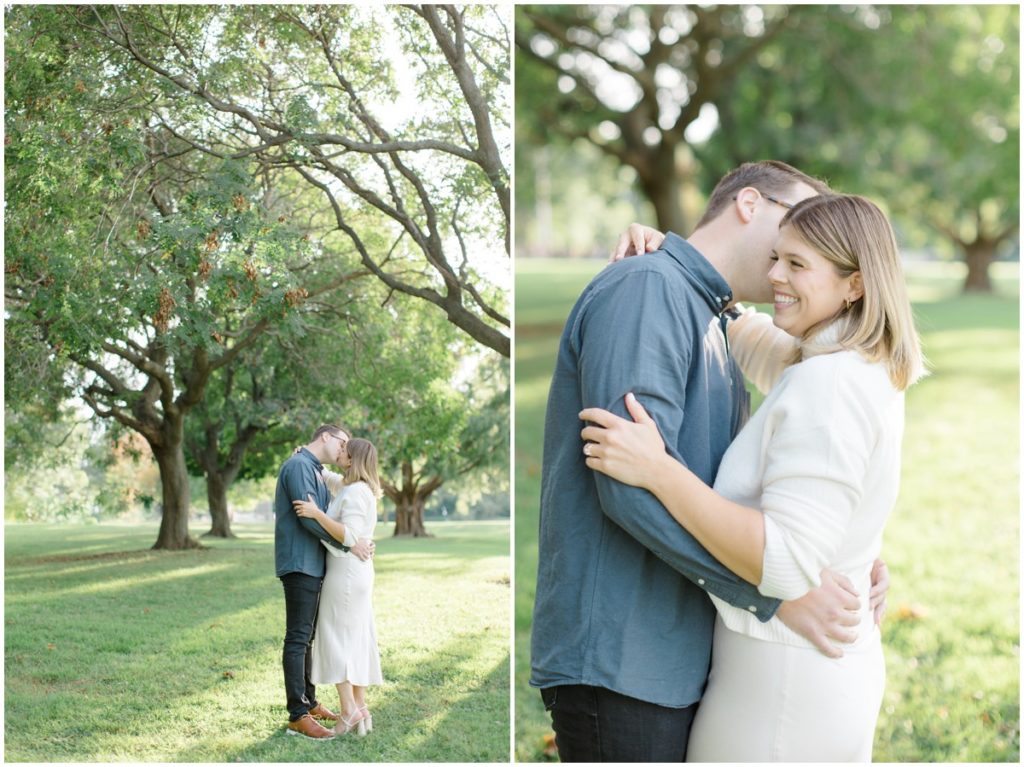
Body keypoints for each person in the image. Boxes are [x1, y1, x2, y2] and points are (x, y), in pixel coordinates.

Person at [531, 161, 891, 763]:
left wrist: (848, 549)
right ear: (750, 204)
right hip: (624, 656)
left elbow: (825, 440)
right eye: (792, 224)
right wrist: (777, 594)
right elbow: (628, 485)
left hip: (676, 650)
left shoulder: (711, 313)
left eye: (803, 254)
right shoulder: (648, 289)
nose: (791, 248)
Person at [274, 425, 373, 740]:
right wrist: (349, 544)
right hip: (301, 563)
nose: (343, 449)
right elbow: (306, 517)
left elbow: (334, 491)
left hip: (321, 564)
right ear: (326, 438)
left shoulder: (316, 470)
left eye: (348, 447)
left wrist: (354, 541)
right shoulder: (300, 465)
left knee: (309, 638)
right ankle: (298, 714)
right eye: (342, 442)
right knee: (300, 637)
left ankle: (311, 703)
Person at [294, 438, 385, 736]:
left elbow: (351, 535)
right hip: (353, 572)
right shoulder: (353, 487)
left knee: (336, 639)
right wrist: (305, 455)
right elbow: (331, 479)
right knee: (353, 638)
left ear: (353, 459)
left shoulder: (357, 492)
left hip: (346, 574)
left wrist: (317, 513)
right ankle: (360, 707)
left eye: (345, 450)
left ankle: (349, 711)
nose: (339, 452)